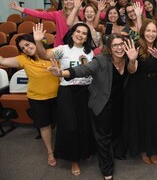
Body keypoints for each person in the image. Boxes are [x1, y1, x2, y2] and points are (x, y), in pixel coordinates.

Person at [48, 33, 138, 180]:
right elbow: (84, 69)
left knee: (114, 132)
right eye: (115, 45)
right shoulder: (101, 60)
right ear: (109, 47)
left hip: (118, 103)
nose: (119, 48)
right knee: (103, 137)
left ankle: (109, 153)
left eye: (121, 44)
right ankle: (107, 170)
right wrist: (63, 73)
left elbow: (132, 70)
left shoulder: (129, 57)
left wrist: (133, 59)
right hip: (101, 103)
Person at [33, 23, 95, 176]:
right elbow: (44, 55)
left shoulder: (90, 52)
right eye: (78, 31)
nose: (80, 35)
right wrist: (38, 41)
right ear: (72, 33)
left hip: (86, 91)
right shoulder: (64, 50)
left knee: (84, 124)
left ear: (87, 37)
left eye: (84, 33)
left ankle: (84, 152)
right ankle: (73, 161)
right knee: (71, 126)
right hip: (67, 91)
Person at [0, 34, 60, 167]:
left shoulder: (51, 53)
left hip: (58, 96)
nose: (26, 49)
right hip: (37, 98)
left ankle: (64, 148)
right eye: (23, 48)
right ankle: (50, 151)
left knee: (63, 124)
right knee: (44, 125)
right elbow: (3, 61)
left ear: (35, 41)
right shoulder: (23, 59)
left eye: (27, 44)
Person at [125, 19, 157, 165]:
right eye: (148, 30)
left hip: (152, 86)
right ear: (143, 31)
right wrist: (132, 60)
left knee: (154, 117)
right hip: (137, 86)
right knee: (140, 119)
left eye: (154, 31)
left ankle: (153, 150)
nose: (151, 34)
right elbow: (132, 70)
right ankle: (143, 150)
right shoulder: (137, 46)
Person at [8, 0, 78, 47]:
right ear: (63, 3)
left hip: (78, 44)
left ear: (75, 1)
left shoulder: (81, 13)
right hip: (61, 46)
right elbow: (38, 14)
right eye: (66, 0)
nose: (68, 2)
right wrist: (18, 8)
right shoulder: (58, 14)